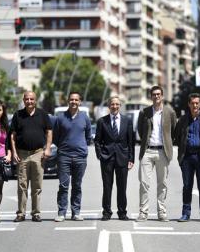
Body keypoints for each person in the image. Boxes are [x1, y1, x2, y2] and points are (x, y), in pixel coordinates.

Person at [136, 86, 177, 222]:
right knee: (144, 183)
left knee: (162, 184)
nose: (156, 96)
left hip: (162, 151)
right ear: (151, 96)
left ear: (162, 96)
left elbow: (173, 131)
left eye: (158, 94)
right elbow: (141, 131)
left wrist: (167, 146)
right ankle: (143, 212)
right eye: (154, 94)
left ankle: (162, 212)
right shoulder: (144, 112)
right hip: (147, 151)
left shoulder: (170, 112)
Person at [11, 91, 52, 222]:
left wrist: (48, 148)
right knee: (22, 185)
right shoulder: (18, 115)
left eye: (32, 99)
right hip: (22, 154)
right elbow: (12, 136)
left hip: (38, 153)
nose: (29, 101)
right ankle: (21, 213)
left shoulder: (43, 115)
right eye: (27, 99)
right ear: (23, 100)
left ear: (36, 100)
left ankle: (35, 213)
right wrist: (14, 152)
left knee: (37, 185)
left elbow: (49, 132)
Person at [174, 93, 200, 222]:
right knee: (187, 186)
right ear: (189, 104)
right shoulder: (182, 120)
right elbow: (177, 136)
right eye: (192, 103)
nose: (195, 105)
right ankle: (186, 213)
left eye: (197, 103)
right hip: (186, 157)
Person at [94, 96, 135, 221]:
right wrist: (100, 155)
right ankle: (106, 212)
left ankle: (122, 212)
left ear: (120, 106)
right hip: (107, 158)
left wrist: (131, 159)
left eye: (117, 104)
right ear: (109, 106)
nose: (115, 106)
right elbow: (97, 140)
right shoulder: (102, 121)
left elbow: (131, 141)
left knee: (122, 187)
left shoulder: (127, 121)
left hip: (122, 158)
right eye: (112, 104)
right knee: (107, 186)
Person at [53, 92, 91, 222]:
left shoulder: (85, 117)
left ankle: (76, 212)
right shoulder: (60, 117)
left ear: (80, 102)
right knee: (63, 185)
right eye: (71, 100)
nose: (74, 102)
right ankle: (61, 213)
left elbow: (88, 136)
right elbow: (56, 137)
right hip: (64, 156)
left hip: (80, 157)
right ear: (68, 101)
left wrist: (83, 149)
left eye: (76, 100)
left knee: (77, 186)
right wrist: (64, 147)